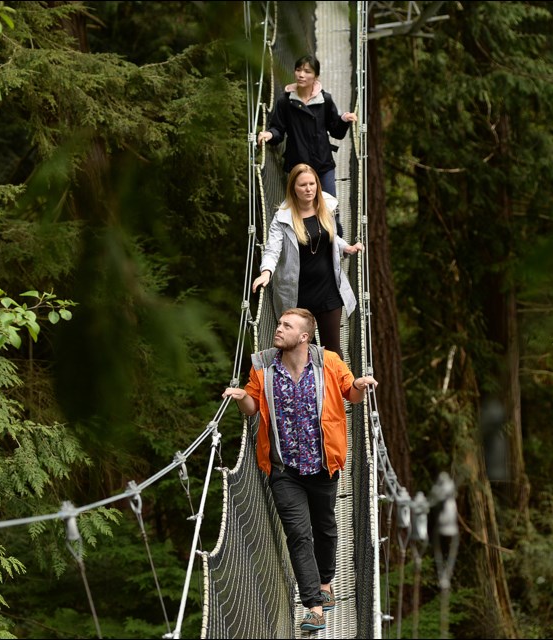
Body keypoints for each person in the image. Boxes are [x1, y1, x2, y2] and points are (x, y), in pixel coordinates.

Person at [222, 307, 378, 632]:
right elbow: (251, 408)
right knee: (298, 535)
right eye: (279, 323)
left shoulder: (329, 362)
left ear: (304, 336)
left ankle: (325, 582)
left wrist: (361, 385)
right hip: (283, 469)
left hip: (323, 465)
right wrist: (240, 397)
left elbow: (352, 395)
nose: (278, 329)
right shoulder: (263, 366)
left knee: (325, 528)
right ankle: (314, 606)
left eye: (286, 325)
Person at [252, 163, 363, 360]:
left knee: (333, 355)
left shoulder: (326, 206)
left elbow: (329, 236)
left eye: (312, 183)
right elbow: (272, 249)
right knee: (302, 356)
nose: (309, 189)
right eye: (303, 185)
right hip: (299, 297)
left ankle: (339, 391)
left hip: (329, 291)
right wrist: (266, 272)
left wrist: (346, 247)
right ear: (293, 188)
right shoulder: (283, 218)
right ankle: (313, 391)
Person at [258, 53, 357, 225]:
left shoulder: (324, 100)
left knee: (330, 209)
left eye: (307, 71)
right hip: (297, 166)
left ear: (316, 76)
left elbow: (335, 131)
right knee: (301, 213)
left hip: (323, 163)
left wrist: (343, 120)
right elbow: (278, 129)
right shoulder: (285, 102)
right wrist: (269, 134)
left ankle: (337, 247)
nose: (301, 75)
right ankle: (307, 247)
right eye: (298, 70)